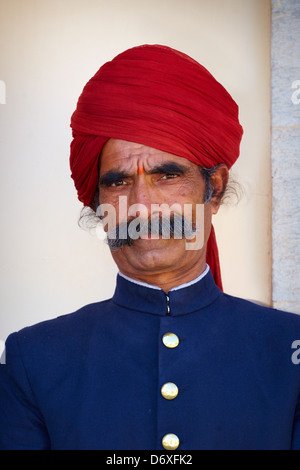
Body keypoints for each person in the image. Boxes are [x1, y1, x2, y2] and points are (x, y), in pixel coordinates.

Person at [0, 44, 300, 450]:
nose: (141, 206)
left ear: (214, 188)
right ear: (98, 204)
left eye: (167, 176)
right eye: (118, 182)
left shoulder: (289, 350)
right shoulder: (33, 359)